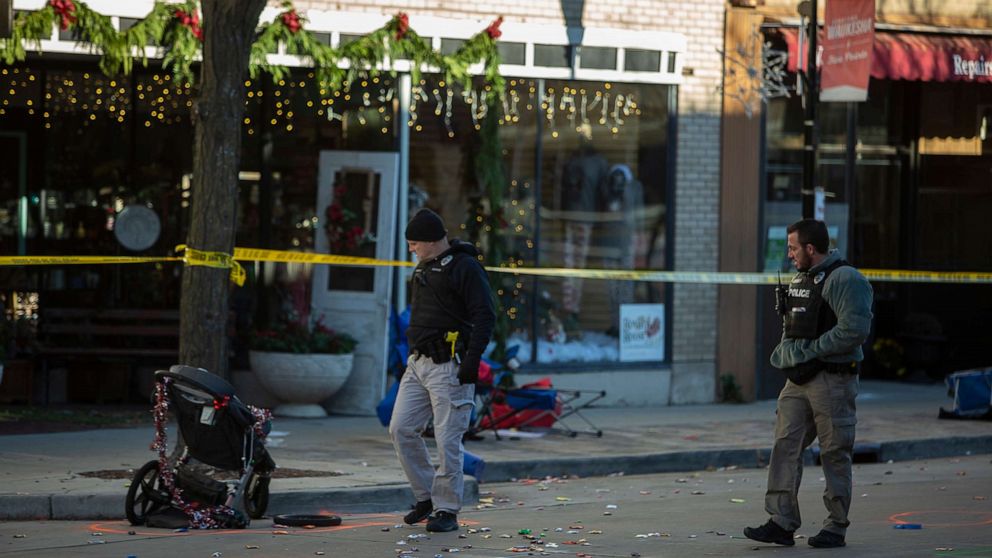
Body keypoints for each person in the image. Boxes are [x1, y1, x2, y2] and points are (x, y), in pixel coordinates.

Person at [744, 219, 873, 549]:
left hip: (833, 378)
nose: (789, 254)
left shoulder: (845, 279)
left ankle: (836, 525)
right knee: (785, 445)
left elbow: (853, 330)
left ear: (810, 249)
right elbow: (794, 324)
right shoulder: (802, 278)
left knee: (834, 452)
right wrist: (790, 354)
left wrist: (809, 351)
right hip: (799, 379)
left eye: (793, 248)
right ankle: (781, 521)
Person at [389, 208, 495, 533]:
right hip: (418, 364)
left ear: (432, 241)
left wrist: (472, 361)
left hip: (450, 366)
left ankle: (447, 509)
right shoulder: (424, 267)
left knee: (448, 440)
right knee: (401, 429)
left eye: (414, 243)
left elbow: (485, 315)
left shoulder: (465, 267)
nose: (411, 249)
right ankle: (427, 498)